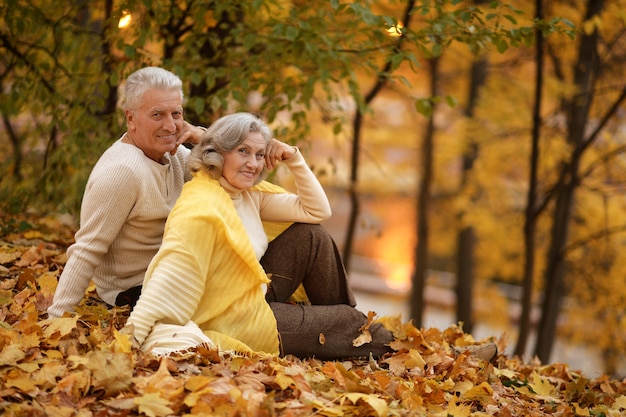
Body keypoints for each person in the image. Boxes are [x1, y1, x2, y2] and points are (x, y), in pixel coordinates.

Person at [125, 112, 396, 360]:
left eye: (259, 154)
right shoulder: (201, 207)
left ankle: (343, 329)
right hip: (235, 319)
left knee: (310, 235)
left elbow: (316, 210)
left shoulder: (246, 194)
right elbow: (171, 273)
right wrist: (134, 335)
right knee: (359, 327)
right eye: (243, 151)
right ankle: (356, 332)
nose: (253, 164)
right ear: (217, 154)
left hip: (250, 291)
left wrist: (294, 158)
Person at [47, 66, 205, 318]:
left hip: (182, 276)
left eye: (176, 113)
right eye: (157, 115)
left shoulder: (172, 154)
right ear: (131, 118)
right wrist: (56, 320)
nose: (170, 125)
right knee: (267, 319)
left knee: (292, 233)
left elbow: (228, 176)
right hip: (142, 292)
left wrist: (202, 138)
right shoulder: (123, 171)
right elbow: (87, 248)